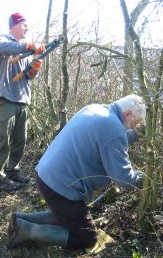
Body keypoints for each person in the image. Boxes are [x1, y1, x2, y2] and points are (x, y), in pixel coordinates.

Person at [8, 94, 146, 250]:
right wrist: (146, 181)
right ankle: (28, 231)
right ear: (127, 114)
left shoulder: (96, 109)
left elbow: (112, 135)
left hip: (47, 176)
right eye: (133, 123)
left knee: (68, 217)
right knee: (87, 238)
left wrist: (136, 135)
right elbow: (123, 178)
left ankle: (21, 219)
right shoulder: (113, 127)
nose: (132, 127)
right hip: (61, 188)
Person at [0, 13, 45, 192]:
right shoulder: (2, 40)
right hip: (6, 98)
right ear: (14, 25)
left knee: (19, 140)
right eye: (24, 25)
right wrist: (29, 46)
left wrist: (34, 68)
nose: (27, 29)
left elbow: (28, 76)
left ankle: (13, 172)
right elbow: (4, 47)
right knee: (3, 139)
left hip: (23, 100)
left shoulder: (26, 51)